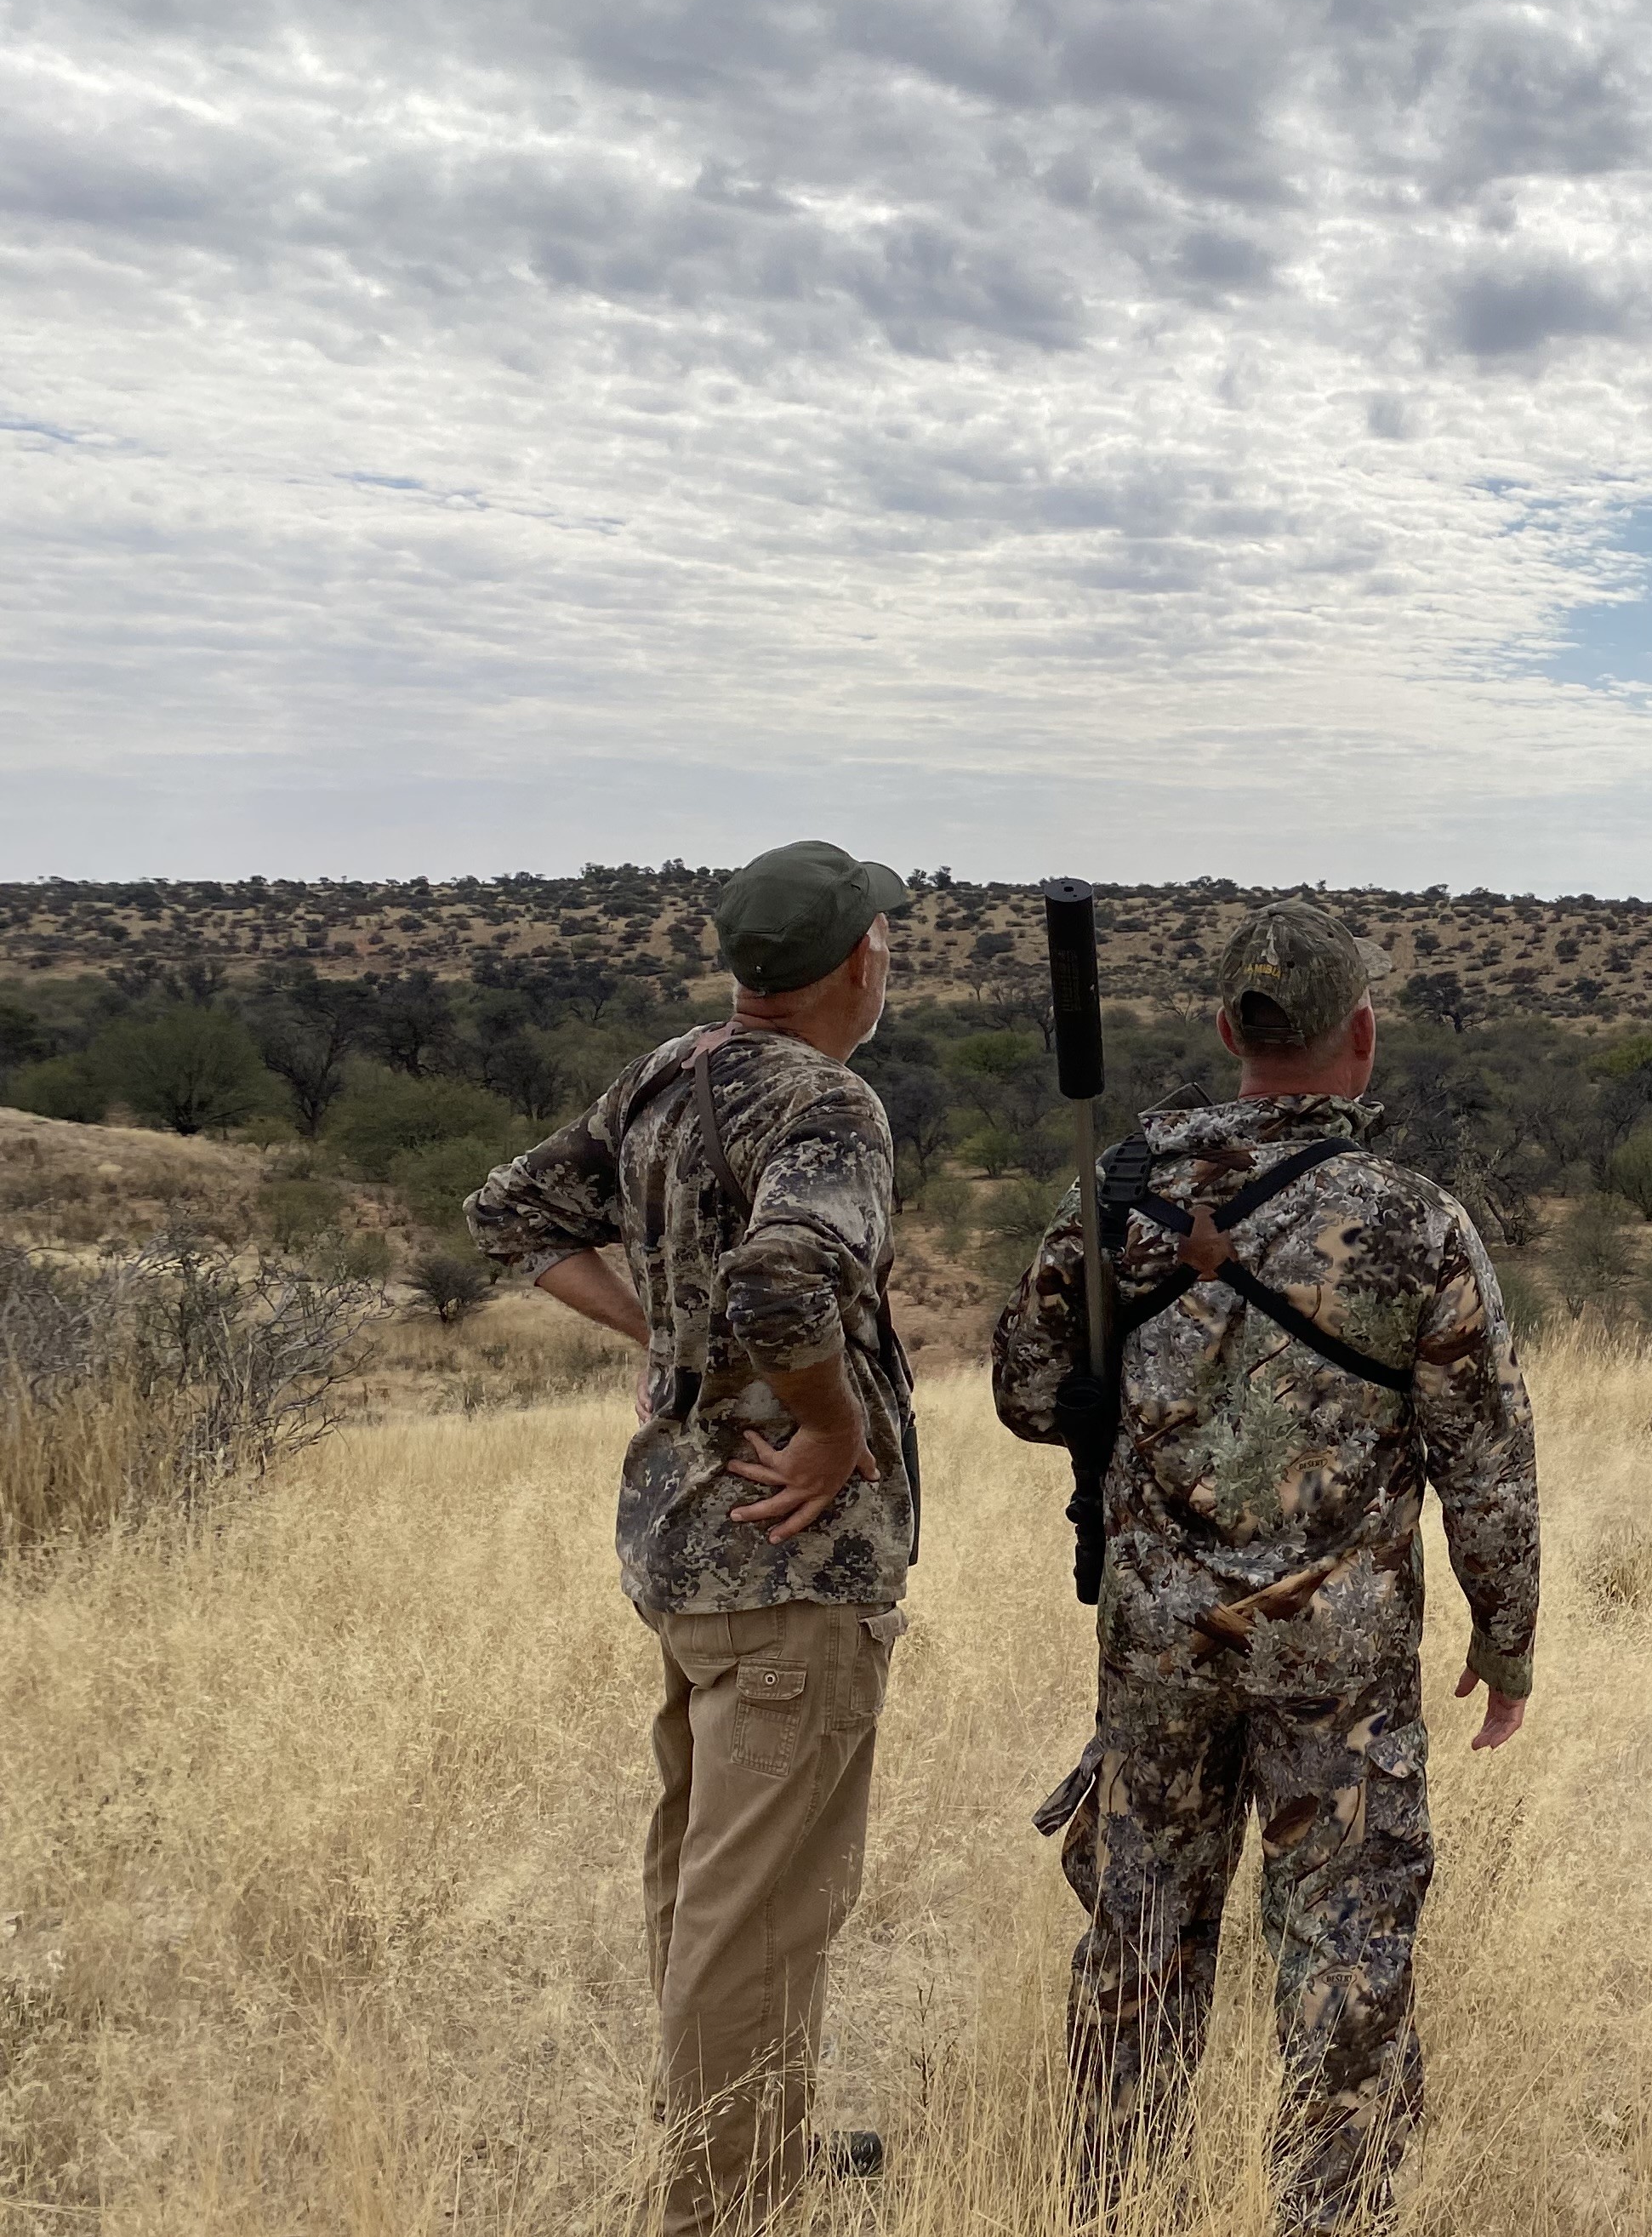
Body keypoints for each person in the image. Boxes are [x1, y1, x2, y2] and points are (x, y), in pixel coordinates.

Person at [992, 897, 1540, 2234]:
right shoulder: (1412, 1221)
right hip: (1337, 1664)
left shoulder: (1112, 1194)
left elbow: (1023, 1389)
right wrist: (1504, 1644)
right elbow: (1487, 1459)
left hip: (1157, 1648)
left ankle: (1118, 2204)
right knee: (1345, 1946)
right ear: (1358, 1036)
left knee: (1140, 1935)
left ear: (1226, 1030)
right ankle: (1328, 2213)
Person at [465, 839, 920, 2236]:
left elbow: (511, 1211)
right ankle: (723, 2201)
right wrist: (833, 1427)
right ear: (857, 961)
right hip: (785, 1559)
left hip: (683, 1538)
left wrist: (664, 1343)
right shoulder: (827, 1104)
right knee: (759, 1903)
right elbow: (786, 1278)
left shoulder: (668, 1072)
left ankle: (738, 2141)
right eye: (884, 941)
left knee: (705, 1872)